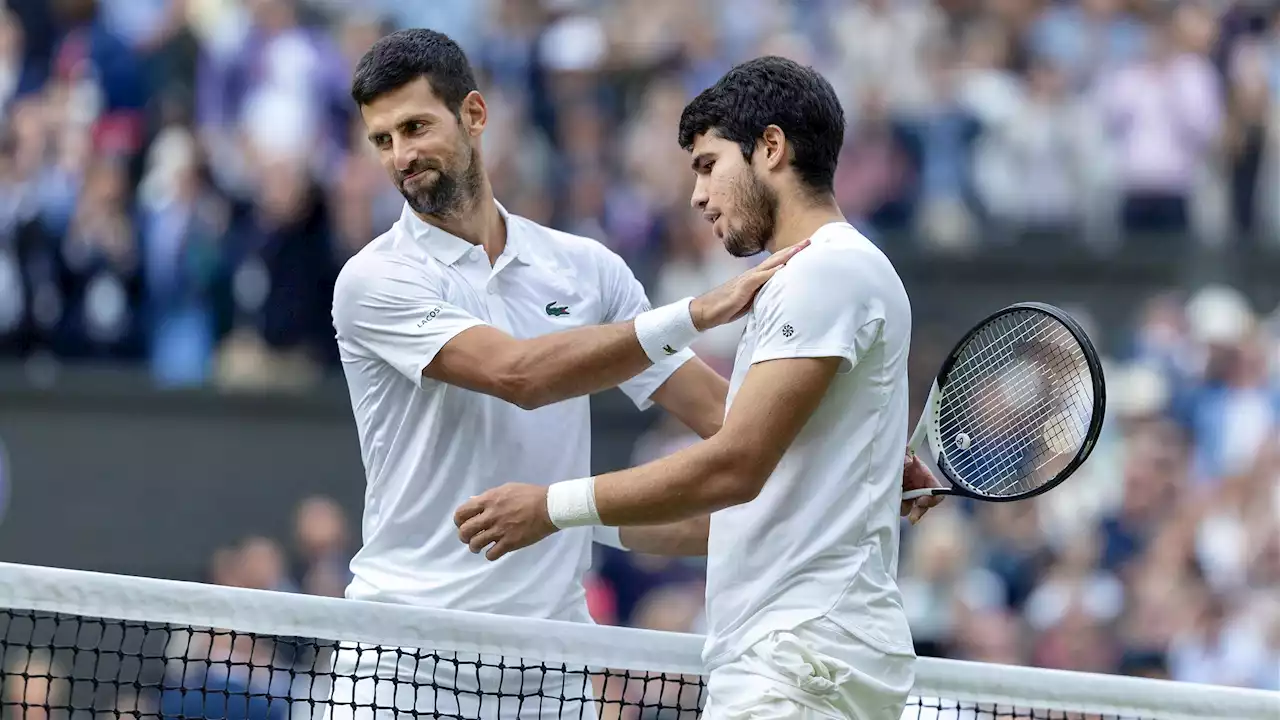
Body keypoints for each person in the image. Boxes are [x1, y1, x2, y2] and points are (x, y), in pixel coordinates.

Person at [456, 56, 923, 719]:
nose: (698, 196)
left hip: (799, 663)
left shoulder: (828, 272)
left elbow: (732, 466)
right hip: (795, 660)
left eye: (708, 165)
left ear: (771, 147)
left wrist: (552, 503)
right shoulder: (814, 278)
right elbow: (723, 522)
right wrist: (560, 525)